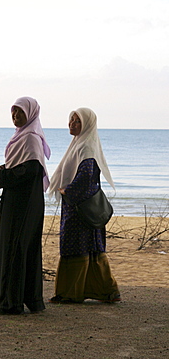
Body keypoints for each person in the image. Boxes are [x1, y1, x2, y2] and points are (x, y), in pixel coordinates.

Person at [0, 96, 51, 314]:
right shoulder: (23, 137)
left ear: (30, 114)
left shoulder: (30, 138)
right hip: (23, 202)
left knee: (15, 247)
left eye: (20, 112)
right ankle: (29, 299)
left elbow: (29, 171)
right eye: (13, 112)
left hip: (23, 204)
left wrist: (2, 176)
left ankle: (11, 303)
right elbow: (19, 165)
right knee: (23, 248)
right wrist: (0, 170)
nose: (15, 116)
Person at [48, 107, 121, 304]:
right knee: (91, 248)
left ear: (87, 124)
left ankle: (71, 293)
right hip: (81, 206)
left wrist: (67, 191)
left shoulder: (86, 147)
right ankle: (106, 291)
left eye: (77, 121)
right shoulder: (80, 143)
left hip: (79, 208)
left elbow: (86, 176)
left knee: (77, 248)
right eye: (71, 120)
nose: (72, 124)